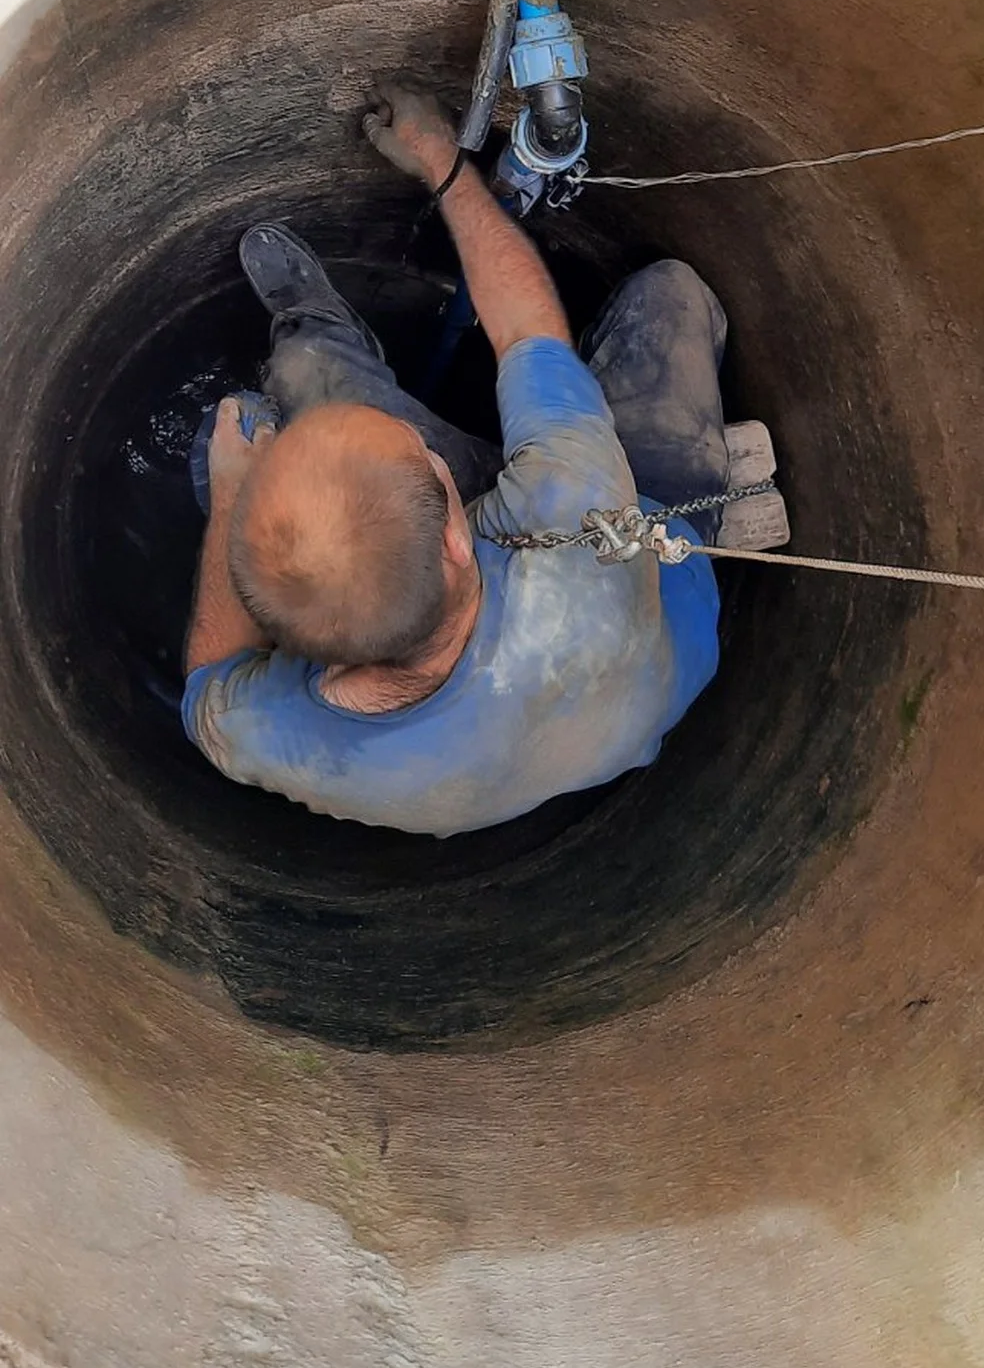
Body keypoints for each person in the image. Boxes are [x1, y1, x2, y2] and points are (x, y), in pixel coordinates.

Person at [182, 87, 729, 836]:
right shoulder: (567, 496)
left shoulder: (276, 732)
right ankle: (322, 359)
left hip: (562, 653)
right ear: (452, 536)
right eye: (420, 454)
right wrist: (442, 161)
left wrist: (231, 498)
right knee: (672, 295)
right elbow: (528, 327)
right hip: (647, 600)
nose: (424, 440)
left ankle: (312, 342)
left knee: (308, 372)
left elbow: (206, 685)